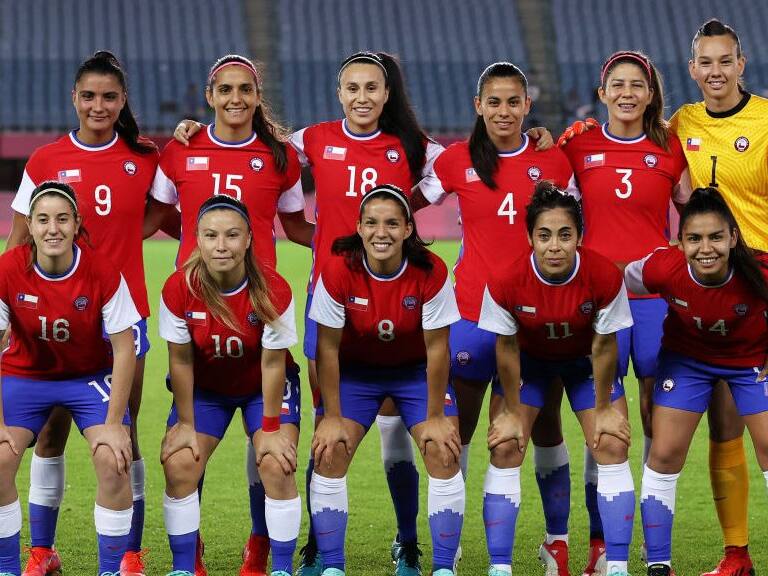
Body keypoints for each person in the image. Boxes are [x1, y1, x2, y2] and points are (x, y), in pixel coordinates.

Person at [151, 53, 313, 576]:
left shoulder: (280, 157)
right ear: (209, 95)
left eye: (246, 89)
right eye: (226, 90)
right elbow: (154, 216)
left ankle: (261, 545)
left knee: (268, 449)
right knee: (183, 450)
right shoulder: (182, 149)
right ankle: (188, 555)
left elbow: (295, 224)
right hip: (199, 312)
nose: (236, 99)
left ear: (257, 97)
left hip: (260, 306)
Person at [5, 50, 162, 576]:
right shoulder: (45, 160)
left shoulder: (144, 157)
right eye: (89, 96)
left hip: (122, 316)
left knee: (125, 433)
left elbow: (166, 212)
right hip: (52, 316)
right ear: (74, 98)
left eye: (109, 97)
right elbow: (19, 239)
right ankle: (42, 551)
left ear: (123, 103)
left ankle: (130, 554)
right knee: (48, 434)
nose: (98, 105)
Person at [547, 50, 687, 575]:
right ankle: (600, 545)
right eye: (617, 84)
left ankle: (654, 544)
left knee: (656, 417)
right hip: (596, 303)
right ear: (602, 93)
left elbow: (693, 218)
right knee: (602, 418)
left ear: (651, 94)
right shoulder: (577, 145)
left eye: (638, 84)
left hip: (654, 304)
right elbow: (548, 202)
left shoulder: (670, 149)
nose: (627, 92)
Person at [411, 61, 573, 507]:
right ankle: (453, 543)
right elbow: (408, 205)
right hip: (469, 315)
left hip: (534, 319)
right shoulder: (456, 159)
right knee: (456, 432)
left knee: (542, 426)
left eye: (514, 102)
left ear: (528, 105)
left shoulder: (552, 160)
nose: (505, 111)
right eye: (495, 102)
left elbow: (576, 229)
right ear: (478, 105)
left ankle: (555, 540)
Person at [477, 181, 635, 576]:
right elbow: (507, 349)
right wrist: (511, 411)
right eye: (544, 235)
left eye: (565, 235)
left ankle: (615, 564)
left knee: (612, 441)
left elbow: (603, 347)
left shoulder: (603, 276)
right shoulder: (505, 281)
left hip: (583, 364)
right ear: (530, 237)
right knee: (506, 444)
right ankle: (505, 566)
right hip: (530, 364)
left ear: (579, 237)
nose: (555, 245)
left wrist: (604, 410)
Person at [309, 184, 464, 576]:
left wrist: (434, 414)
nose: (383, 232)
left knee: (443, 448)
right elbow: (326, 349)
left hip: (414, 373)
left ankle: (442, 567)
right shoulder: (337, 270)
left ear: (408, 229)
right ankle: (332, 566)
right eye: (373, 223)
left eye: (393, 223)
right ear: (359, 228)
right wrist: (330, 415)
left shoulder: (431, 270)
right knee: (330, 449)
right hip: (357, 375)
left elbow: (437, 350)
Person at [667, 19, 768, 575]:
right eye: (705, 62)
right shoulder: (683, 122)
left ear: (741, 64)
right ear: (692, 69)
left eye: (725, 61)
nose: (715, 72)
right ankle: (737, 555)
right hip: (715, 283)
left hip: (765, 277)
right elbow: (629, 139)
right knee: (725, 419)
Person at [624, 187, 768, 576]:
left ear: (734, 238)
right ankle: (658, 563)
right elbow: (617, 282)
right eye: (694, 238)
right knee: (665, 450)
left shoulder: (760, 271)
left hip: (750, 364)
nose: (706, 248)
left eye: (716, 237)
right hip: (688, 362)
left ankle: (738, 556)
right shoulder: (662, 268)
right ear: (680, 242)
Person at [0, 182, 139, 576]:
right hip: (25, 376)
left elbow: (125, 348)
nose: (52, 229)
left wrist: (114, 425)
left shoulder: (101, 271)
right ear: (30, 225)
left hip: (87, 377)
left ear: (77, 223)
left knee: (115, 459)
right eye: (42, 220)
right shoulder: (8, 269)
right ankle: (8, 568)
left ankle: (110, 569)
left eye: (62, 219)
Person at [159, 195, 301, 576]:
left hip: (263, 387)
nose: (221, 245)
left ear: (250, 239)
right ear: (197, 239)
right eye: (211, 236)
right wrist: (186, 424)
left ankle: (275, 562)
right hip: (208, 390)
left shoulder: (274, 289)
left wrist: (270, 430)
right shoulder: (178, 289)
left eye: (232, 235)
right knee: (180, 462)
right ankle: (185, 564)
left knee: (276, 462)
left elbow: (273, 363)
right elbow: (181, 360)